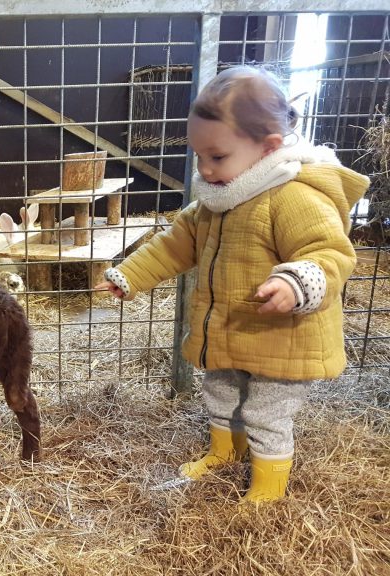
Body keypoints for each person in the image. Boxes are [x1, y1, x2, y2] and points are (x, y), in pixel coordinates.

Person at [96, 66, 370, 503]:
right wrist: (129, 275)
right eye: (198, 155)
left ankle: (267, 488)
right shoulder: (215, 201)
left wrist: (298, 282)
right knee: (220, 392)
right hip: (229, 330)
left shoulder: (295, 196)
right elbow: (173, 247)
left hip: (283, 338)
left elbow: (331, 253)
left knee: (265, 412)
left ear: (269, 147)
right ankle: (225, 453)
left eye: (217, 157)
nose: (204, 169)